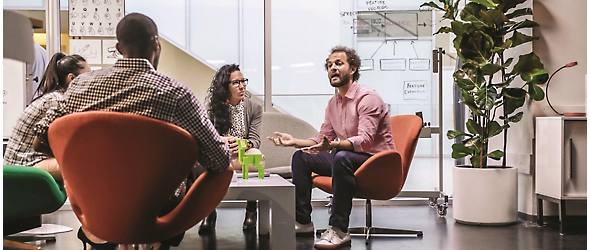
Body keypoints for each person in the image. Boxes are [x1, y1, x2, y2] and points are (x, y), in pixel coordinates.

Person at [32, 13, 230, 250]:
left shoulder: (80, 86)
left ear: (118, 47)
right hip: (155, 207)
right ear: (157, 44)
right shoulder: (176, 93)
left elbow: (39, 140)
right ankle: (158, 243)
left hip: (96, 204)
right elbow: (220, 159)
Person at [267, 46, 395, 249]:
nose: (333, 68)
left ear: (352, 68)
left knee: (341, 156)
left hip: (376, 160)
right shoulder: (333, 104)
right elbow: (322, 139)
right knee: (301, 157)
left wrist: (333, 145)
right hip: (347, 157)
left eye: (338, 63)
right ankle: (302, 222)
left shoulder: (367, 98)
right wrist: (294, 142)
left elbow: (365, 141)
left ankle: (339, 229)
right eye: (329, 66)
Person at [3, 52, 89, 182]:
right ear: (72, 78)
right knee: (83, 165)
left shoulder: (54, 96)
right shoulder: (57, 100)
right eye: (87, 76)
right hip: (25, 163)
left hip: (22, 161)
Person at [199, 64, 264, 234]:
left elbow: (255, 140)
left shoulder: (254, 108)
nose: (242, 86)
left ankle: (251, 208)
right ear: (225, 86)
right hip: (219, 153)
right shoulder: (211, 107)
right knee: (204, 161)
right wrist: (222, 140)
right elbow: (204, 137)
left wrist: (243, 145)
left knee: (257, 156)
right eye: (236, 83)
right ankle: (209, 212)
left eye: (243, 81)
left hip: (242, 155)